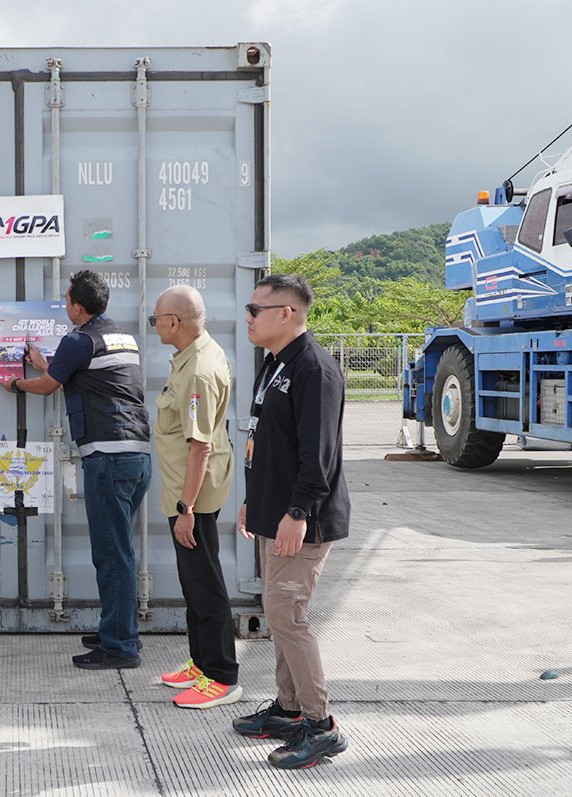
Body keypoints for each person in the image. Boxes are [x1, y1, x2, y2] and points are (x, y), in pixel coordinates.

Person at [231, 273, 352, 770]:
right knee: (279, 612)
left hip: (303, 519)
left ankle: (321, 726)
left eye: (255, 310)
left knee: (287, 616)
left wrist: (298, 511)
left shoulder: (313, 369)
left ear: (287, 313)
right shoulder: (274, 364)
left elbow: (317, 454)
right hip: (274, 512)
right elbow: (265, 442)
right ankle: (287, 709)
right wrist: (253, 501)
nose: (247, 318)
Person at [12, 269, 152, 670]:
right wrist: (45, 364)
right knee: (118, 550)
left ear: (76, 306)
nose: (65, 304)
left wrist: (16, 384)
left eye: (66, 299)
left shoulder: (78, 340)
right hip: (136, 455)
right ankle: (118, 629)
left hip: (107, 457)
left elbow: (48, 386)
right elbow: (79, 375)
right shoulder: (120, 336)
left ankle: (120, 646)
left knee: (112, 555)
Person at [150, 285, 242, 709]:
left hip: (194, 496)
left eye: (156, 319)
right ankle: (201, 663)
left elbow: (200, 446)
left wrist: (186, 508)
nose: (155, 326)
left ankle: (222, 676)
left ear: (173, 321)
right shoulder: (192, 357)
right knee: (192, 580)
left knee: (205, 583)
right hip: (184, 491)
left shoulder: (199, 371)